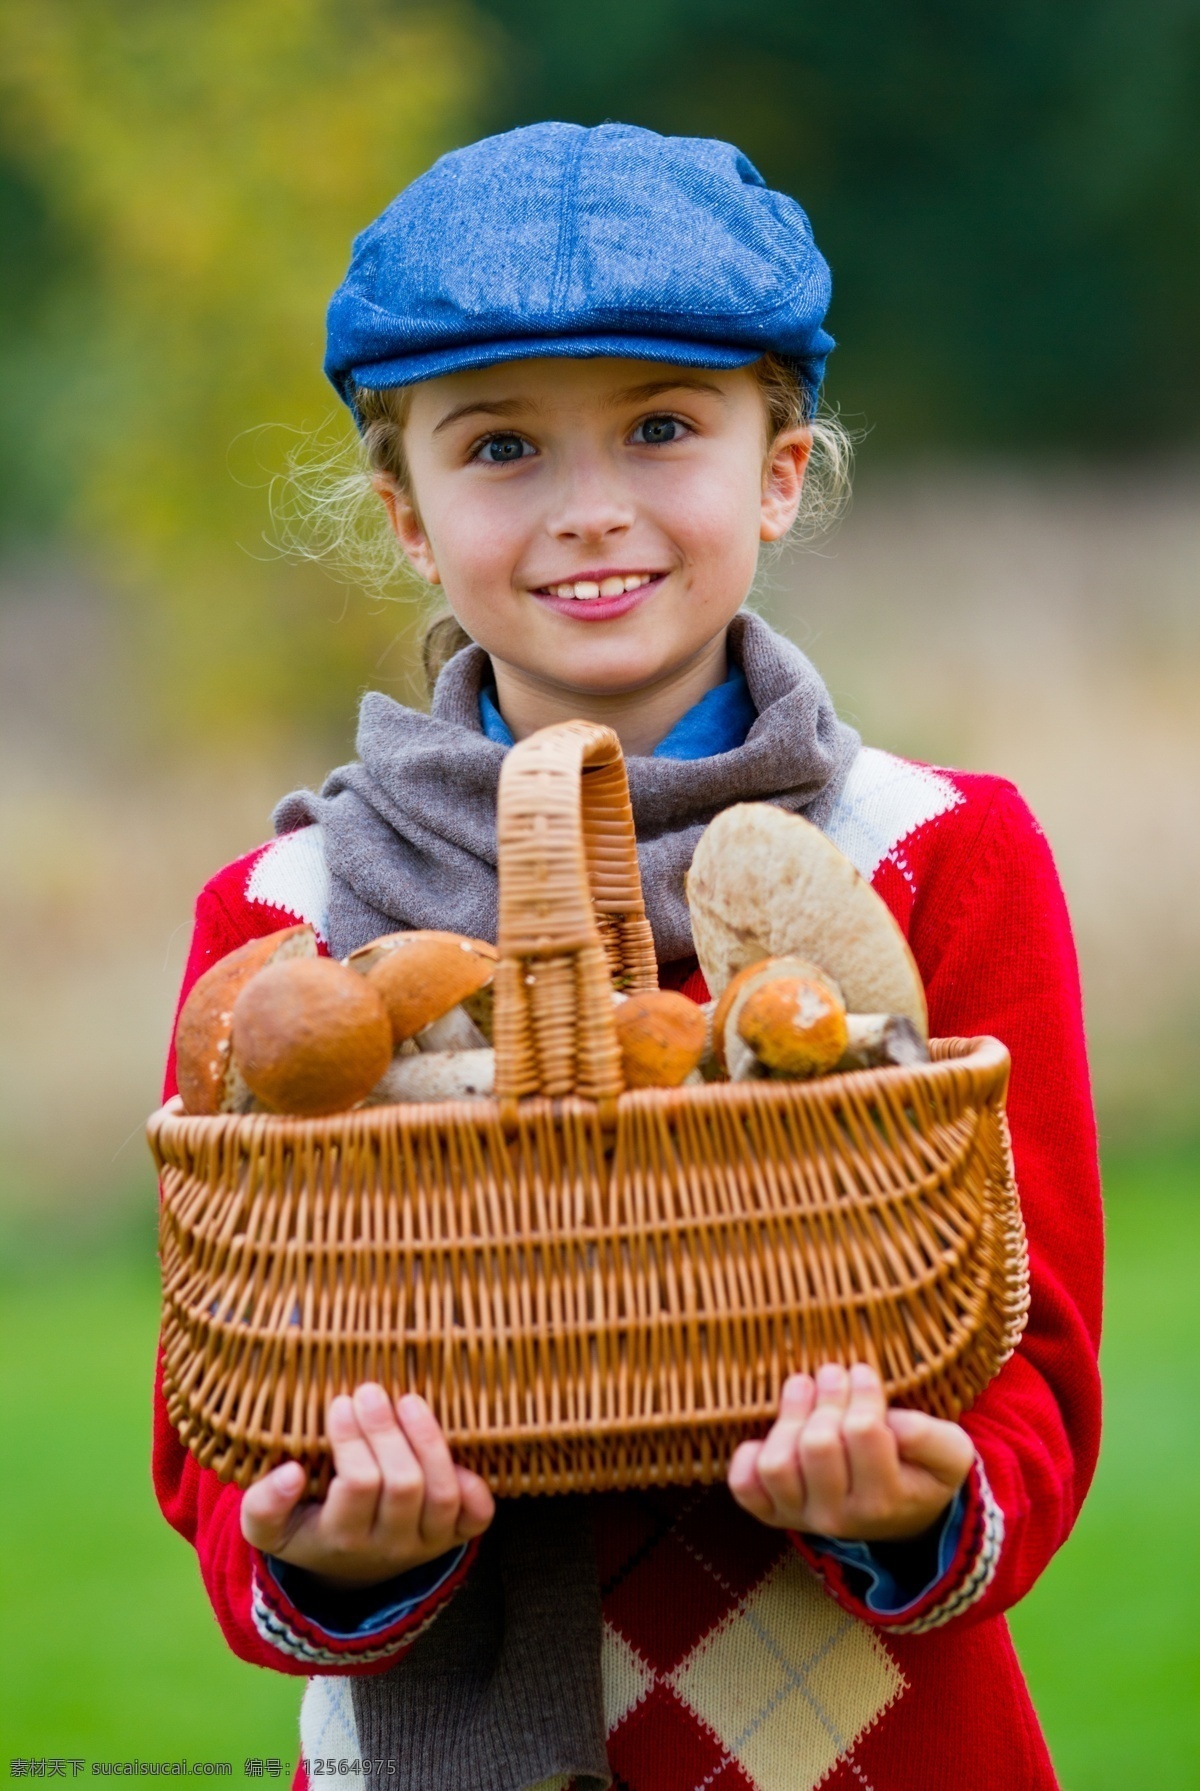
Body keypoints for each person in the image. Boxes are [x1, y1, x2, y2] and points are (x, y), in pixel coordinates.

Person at [154, 123, 1102, 1791]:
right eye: (501, 447)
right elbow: (213, 1421)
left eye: (663, 429)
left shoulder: (931, 849)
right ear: (404, 515)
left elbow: (1040, 1363)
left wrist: (918, 1496)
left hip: (866, 1743)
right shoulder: (292, 912)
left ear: (781, 471)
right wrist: (334, 1544)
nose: (592, 511)